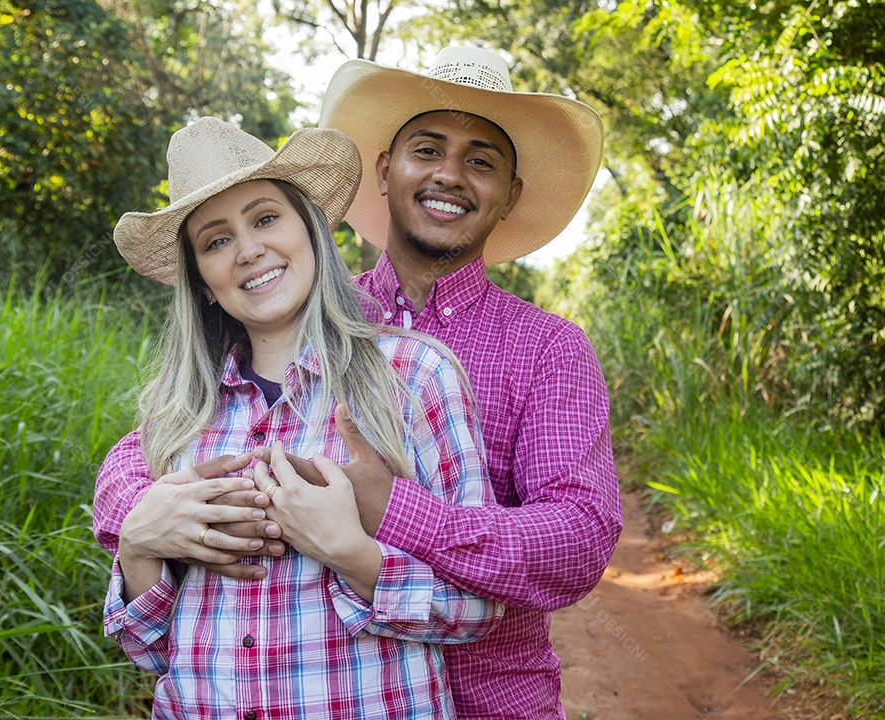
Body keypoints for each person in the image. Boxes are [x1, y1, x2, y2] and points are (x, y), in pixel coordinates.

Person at [93, 116, 505, 720]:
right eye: (215, 240)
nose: (249, 249)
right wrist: (138, 545)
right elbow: (149, 653)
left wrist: (347, 550)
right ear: (203, 283)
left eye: (265, 218)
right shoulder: (177, 419)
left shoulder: (414, 377)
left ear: (310, 230)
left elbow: (477, 610)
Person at [309, 46, 623, 719]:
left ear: (508, 196)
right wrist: (133, 511)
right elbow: (167, 429)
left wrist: (396, 510)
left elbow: (578, 537)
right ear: (387, 170)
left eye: (481, 161)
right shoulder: (312, 317)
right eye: (428, 149)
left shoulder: (549, 349)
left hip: (490, 701)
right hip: (324, 693)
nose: (450, 175)